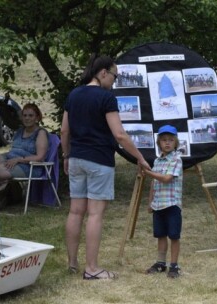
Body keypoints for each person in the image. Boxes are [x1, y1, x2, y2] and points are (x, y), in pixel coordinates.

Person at [61, 54, 151, 280]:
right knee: (95, 215)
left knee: (75, 211)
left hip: (76, 159)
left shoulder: (73, 94)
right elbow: (119, 134)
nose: (115, 81)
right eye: (114, 76)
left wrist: (66, 155)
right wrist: (140, 157)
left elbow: (64, 130)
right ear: (103, 73)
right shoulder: (106, 98)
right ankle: (91, 269)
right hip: (99, 160)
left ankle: (72, 263)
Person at [143, 125, 183, 279]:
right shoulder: (158, 161)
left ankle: (174, 265)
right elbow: (154, 183)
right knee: (160, 234)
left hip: (172, 204)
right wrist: (150, 201)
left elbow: (166, 179)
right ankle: (161, 263)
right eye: (164, 140)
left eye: (171, 140)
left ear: (175, 142)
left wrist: (148, 172)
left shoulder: (176, 159)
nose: (167, 143)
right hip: (158, 204)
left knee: (174, 235)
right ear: (159, 142)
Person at [0, 103, 49, 185]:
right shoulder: (20, 130)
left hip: (28, 166)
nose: (27, 118)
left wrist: (18, 159)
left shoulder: (40, 133)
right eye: (25, 115)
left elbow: (40, 157)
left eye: (30, 115)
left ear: (37, 117)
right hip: (11, 159)